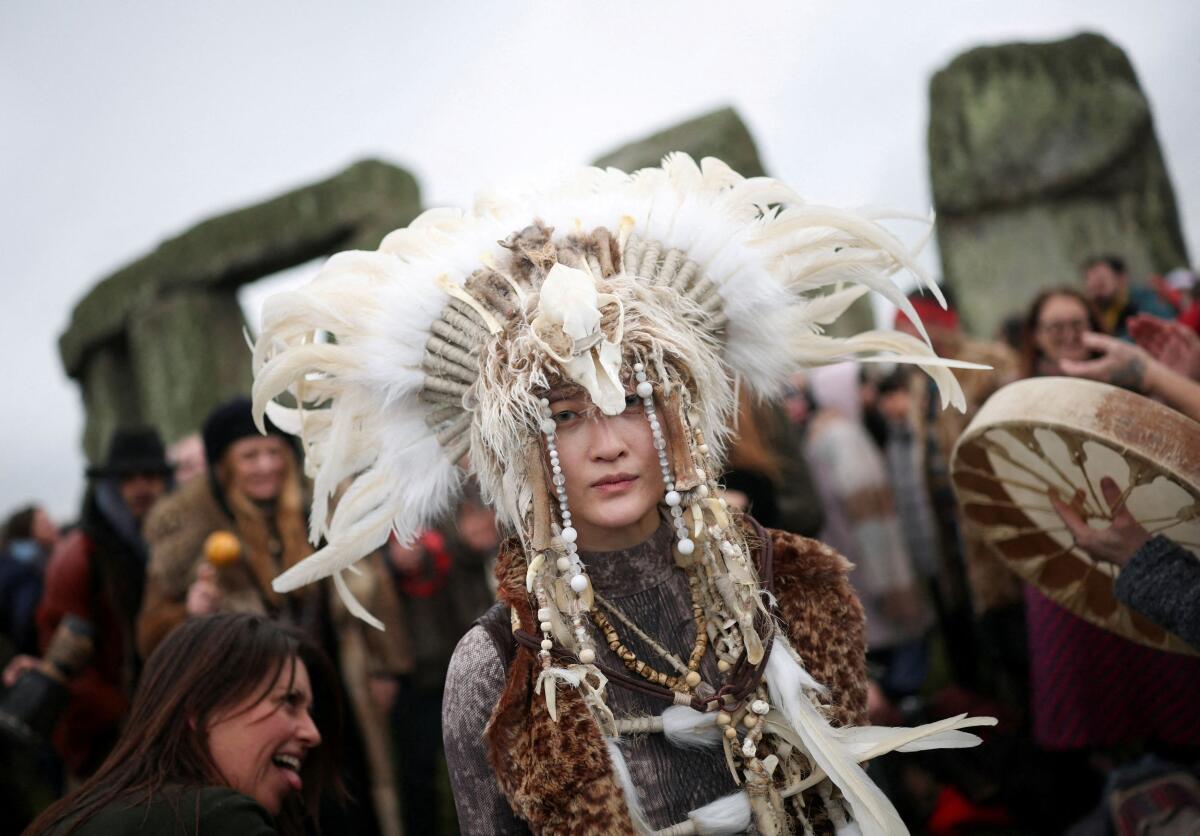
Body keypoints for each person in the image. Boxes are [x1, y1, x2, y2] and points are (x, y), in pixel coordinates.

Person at [249, 155, 992, 834]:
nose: (607, 443)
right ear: (520, 443)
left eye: (633, 398)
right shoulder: (497, 670)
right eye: (565, 415)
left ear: (677, 410)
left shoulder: (795, 585)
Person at [137, 396, 408, 836]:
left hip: (337, 692)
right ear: (226, 465)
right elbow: (149, 634)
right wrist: (189, 612)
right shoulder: (186, 535)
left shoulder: (321, 511)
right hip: (252, 705)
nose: (265, 466)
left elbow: (374, 595)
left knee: (353, 804)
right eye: (250, 455)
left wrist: (385, 667)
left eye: (273, 453)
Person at [25, 612, 340, 836]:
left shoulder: (72, 818)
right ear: (200, 709)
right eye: (288, 702)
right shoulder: (215, 818)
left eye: (309, 711)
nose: (312, 734)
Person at [32, 428, 170, 779]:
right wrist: (129, 714)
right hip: (112, 740)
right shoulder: (78, 556)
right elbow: (64, 660)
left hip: (168, 719)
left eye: (151, 476)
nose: (141, 487)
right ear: (111, 485)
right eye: (128, 478)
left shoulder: (168, 543)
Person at [0, 504, 59, 660]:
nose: (53, 526)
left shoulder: (11, 560)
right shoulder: (26, 570)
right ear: (27, 530)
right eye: (45, 523)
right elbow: (25, 623)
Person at [1081, 254, 1174, 339]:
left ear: (1121, 278)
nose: (1095, 288)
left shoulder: (1143, 300)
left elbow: (1162, 328)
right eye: (1090, 284)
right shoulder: (1099, 310)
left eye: (1101, 282)